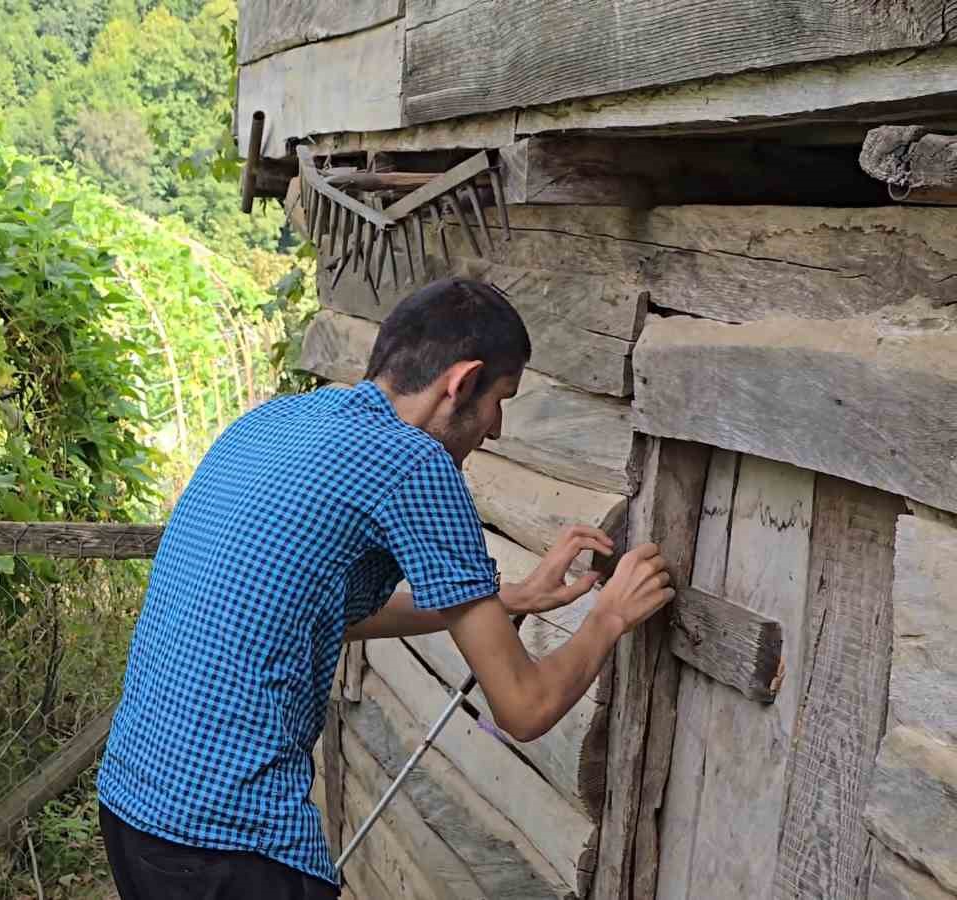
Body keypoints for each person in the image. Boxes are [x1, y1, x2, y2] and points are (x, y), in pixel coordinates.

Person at [94, 277, 675, 899]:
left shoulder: (276, 418)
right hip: (229, 846)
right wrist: (608, 618)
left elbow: (319, 613)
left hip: (134, 807)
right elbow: (524, 708)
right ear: (461, 382)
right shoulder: (414, 464)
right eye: (501, 397)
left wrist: (507, 600)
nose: (498, 428)